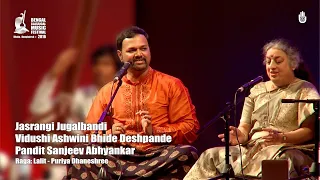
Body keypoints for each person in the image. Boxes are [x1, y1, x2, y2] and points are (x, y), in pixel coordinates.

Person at [65, 26, 200, 179]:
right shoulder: (108, 90)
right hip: (118, 159)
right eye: (131, 50)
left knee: (187, 153)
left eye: (143, 48)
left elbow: (190, 128)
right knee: (79, 152)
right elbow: (90, 133)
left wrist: (154, 131)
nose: (139, 54)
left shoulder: (172, 85)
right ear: (120, 56)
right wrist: (110, 134)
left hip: (158, 157)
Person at [184, 39, 320, 179]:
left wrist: (281, 138)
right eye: (268, 62)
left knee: (275, 160)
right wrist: (240, 135)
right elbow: (245, 125)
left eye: (278, 61)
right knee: (210, 156)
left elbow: (309, 131)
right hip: (251, 147)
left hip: (287, 147)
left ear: (293, 64)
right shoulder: (257, 90)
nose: (271, 66)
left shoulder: (304, 89)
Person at [11, 45, 121, 180]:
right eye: (96, 64)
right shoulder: (80, 96)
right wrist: (54, 73)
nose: (99, 69)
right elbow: (39, 111)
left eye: (105, 64)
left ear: (117, 70)